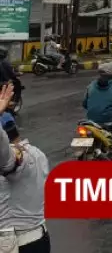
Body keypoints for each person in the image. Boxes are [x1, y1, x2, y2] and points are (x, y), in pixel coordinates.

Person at [0, 83, 51, 253]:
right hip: (36, 238)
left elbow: (7, 159)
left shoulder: (20, 158)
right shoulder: (38, 154)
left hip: (18, 244)